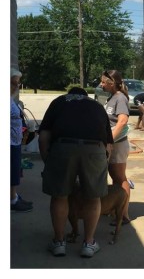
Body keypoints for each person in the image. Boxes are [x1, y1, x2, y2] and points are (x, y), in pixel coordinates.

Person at [37, 86, 113, 258]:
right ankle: (89, 243)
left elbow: (43, 137)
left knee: (59, 195)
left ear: (69, 94)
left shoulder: (58, 102)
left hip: (63, 147)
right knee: (93, 197)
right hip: (95, 149)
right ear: (85, 96)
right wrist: (102, 167)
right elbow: (109, 144)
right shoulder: (97, 106)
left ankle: (59, 243)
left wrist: (48, 163)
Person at [98, 70, 131, 227]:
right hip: (112, 144)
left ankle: (123, 214)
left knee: (119, 178)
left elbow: (122, 121)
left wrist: (109, 141)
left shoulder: (120, 98)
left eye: (103, 82)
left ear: (112, 83)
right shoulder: (112, 97)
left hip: (117, 145)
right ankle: (113, 209)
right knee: (114, 177)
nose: (101, 84)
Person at [11, 68, 33, 213]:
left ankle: (14, 197)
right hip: (9, 143)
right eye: (15, 83)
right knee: (11, 173)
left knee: (15, 172)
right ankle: (12, 201)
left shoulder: (10, 99)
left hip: (15, 140)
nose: (17, 86)